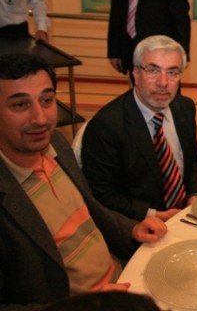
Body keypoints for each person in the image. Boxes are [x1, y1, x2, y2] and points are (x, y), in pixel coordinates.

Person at [0, 53, 167, 310]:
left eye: (46, 100)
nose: (40, 119)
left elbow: (91, 211)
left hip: (123, 275)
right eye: (20, 105)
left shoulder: (56, 144)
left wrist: (132, 229)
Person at [82, 35, 197, 221]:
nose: (163, 82)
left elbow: (193, 160)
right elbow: (102, 194)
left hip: (185, 213)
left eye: (172, 72)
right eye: (153, 70)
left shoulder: (185, 108)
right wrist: (153, 215)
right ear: (135, 73)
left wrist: (195, 195)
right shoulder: (107, 126)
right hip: (137, 222)